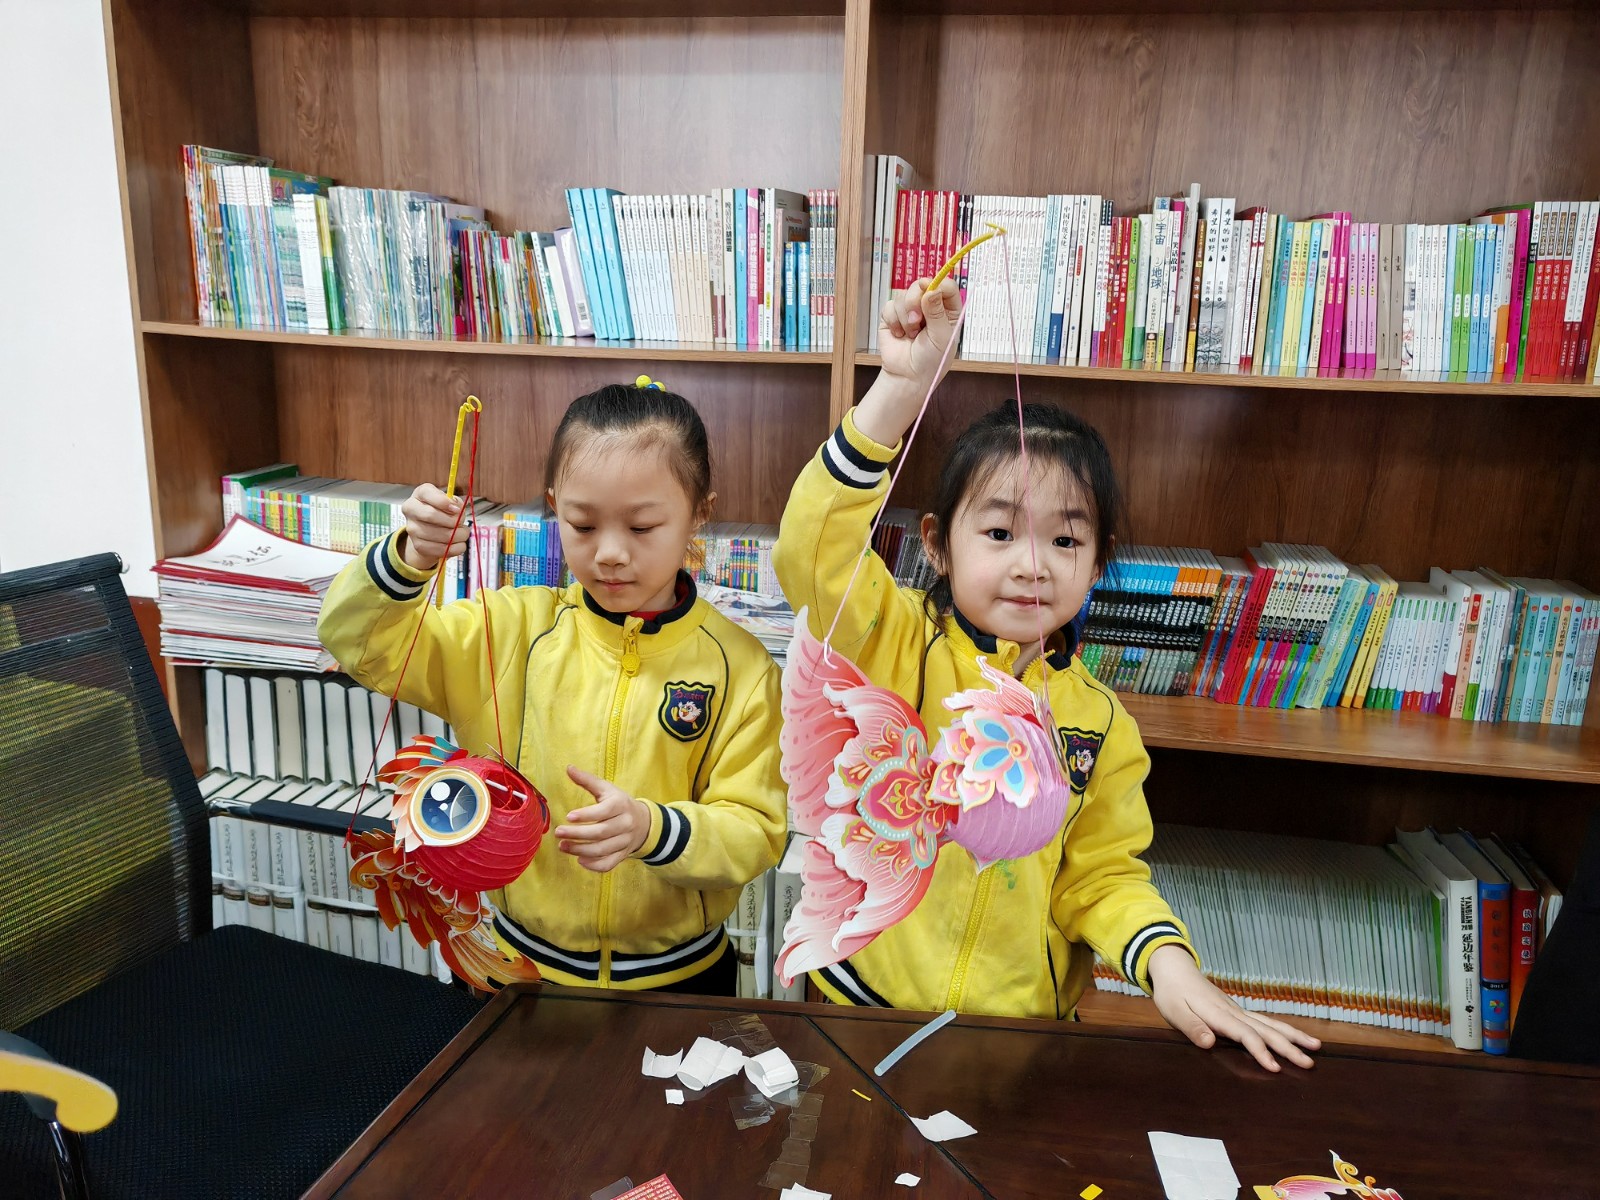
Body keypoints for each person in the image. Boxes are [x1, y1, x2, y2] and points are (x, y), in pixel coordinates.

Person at [773, 280, 1319, 1070]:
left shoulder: (1099, 724)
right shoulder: (887, 639)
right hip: (864, 1012)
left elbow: (1101, 875)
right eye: (999, 532)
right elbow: (811, 551)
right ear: (937, 544)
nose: (1033, 565)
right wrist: (898, 389)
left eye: (1065, 542)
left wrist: (1170, 965)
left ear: (1098, 563)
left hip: (1020, 1041)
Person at [319, 379, 786, 994]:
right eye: (582, 525)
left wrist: (652, 829)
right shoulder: (512, 629)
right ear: (553, 506)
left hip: (682, 978)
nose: (610, 553)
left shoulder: (742, 668)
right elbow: (360, 642)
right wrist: (408, 557)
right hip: (517, 969)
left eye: (643, 526)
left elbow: (757, 831)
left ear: (700, 511)